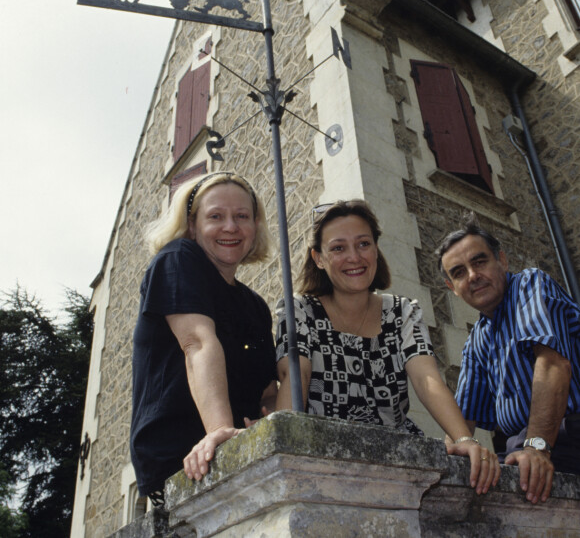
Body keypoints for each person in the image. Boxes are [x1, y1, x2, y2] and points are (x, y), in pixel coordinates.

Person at [276, 200, 500, 495]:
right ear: (318, 257)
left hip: (397, 458)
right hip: (326, 456)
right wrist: (280, 442)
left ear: (375, 249)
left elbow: (426, 378)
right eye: (338, 248)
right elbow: (296, 378)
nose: (354, 257)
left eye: (363, 244)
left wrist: (463, 439)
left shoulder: (403, 311)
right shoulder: (299, 311)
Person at [130, 172, 277, 507]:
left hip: (240, 458)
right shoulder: (178, 258)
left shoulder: (255, 306)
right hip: (183, 461)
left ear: (255, 228)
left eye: (242, 216)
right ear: (192, 225)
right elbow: (196, 343)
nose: (230, 227)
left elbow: (268, 391)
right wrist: (220, 433)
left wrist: (263, 428)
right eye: (216, 216)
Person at [436, 213, 580, 504]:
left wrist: (537, 448)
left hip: (568, 432)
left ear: (501, 261)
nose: (473, 276)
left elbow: (554, 365)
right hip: (519, 446)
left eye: (479, 262)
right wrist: (443, 460)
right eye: (459, 272)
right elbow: (462, 423)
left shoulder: (529, 285)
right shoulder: (477, 338)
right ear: (453, 288)